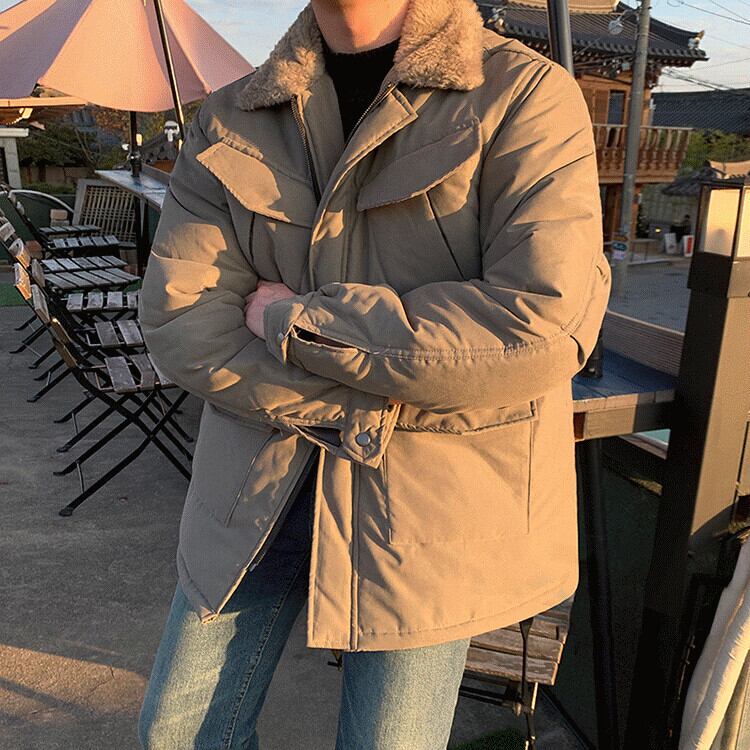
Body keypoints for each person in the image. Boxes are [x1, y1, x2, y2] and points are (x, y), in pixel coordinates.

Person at [136, 0, 612, 747]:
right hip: (256, 481)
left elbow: (537, 327)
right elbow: (182, 322)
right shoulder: (231, 115)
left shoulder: (521, 94)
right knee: (176, 733)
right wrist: (379, 387)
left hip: (427, 511)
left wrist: (291, 321)